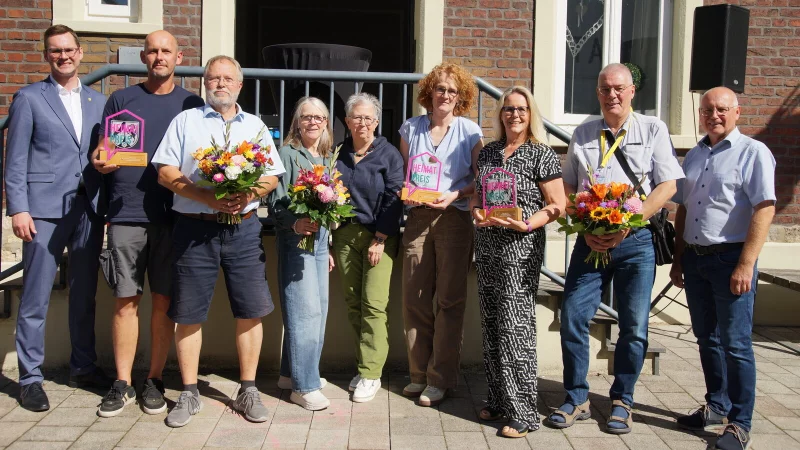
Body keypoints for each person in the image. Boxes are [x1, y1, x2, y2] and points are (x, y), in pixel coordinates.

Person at [546, 63, 684, 434]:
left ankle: (623, 399)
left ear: (632, 91)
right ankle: (576, 397)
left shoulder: (653, 129)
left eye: (619, 88)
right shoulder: (584, 132)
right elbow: (572, 189)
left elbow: (667, 186)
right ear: (598, 93)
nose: (612, 95)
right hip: (591, 240)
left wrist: (630, 222)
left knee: (634, 326)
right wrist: (585, 225)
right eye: (605, 89)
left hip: (635, 242)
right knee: (573, 316)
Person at [152, 55, 284, 427]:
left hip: (242, 228)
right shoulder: (186, 121)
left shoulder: (254, 125)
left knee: (251, 309)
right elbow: (165, 171)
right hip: (195, 228)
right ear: (204, 83)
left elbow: (272, 175)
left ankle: (248, 389)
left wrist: (248, 193)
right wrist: (205, 196)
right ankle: (190, 392)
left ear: (239, 85)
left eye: (227, 78)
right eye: (213, 78)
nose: (219, 84)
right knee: (188, 312)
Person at [91, 30, 204, 418]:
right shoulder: (122, 98)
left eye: (166, 51)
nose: (159, 57)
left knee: (163, 302)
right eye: (153, 51)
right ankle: (122, 382)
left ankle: (154, 379)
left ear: (179, 55)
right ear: (143, 56)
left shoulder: (193, 102)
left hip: (175, 215)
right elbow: (105, 148)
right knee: (125, 302)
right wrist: (100, 158)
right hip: (126, 213)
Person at [4, 24, 111, 412]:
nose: (63, 56)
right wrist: (18, 207)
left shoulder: (100, 103)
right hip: (43, 210)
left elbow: (108, 157)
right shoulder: (30, 98)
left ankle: (83, 366)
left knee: (85, 293)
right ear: (46, 55)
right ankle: (30, 377)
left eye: (68, 49)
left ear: (81, 52)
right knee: (35, 295)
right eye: (55, 51)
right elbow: (15, 158)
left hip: (89, 208)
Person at [670, 87, 775, 450]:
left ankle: (739, 423)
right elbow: (684, 208)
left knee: (736, 344)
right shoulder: (696, 154)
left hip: (731, 259)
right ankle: (717, 405)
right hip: (696, 259)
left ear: (737, 112)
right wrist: (679, 257)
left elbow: (764, 208)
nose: (713, 114)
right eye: (707, 109)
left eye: (721, 109)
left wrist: (746, 263)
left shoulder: (753, 152)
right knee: (706, 338)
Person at [471, 86, 566, 437]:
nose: (514, 115)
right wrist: (478, 214)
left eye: (521, 109)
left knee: (515, 325)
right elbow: (478, 197)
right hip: (488, 242)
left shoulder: (541, 153)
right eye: (508, 109)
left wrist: (528, 222)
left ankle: (523, 411)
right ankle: (498, 401)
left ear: (531, 113)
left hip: (520, 245)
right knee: (492, 320)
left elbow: (558, 204)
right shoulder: (490, 152)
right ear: (500, 114)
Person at [399, 63, 483, 407]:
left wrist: (457, 195)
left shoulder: (470, 131)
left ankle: (441, 379)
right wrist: (407, 191)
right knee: (415, 299)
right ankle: (419, 375)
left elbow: (482, 179)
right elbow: (402, 173)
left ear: (460, 97)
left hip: (454, 219)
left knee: (449, 302)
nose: (445, 95)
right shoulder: (410, 128)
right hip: (418, 218)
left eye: (452, 90)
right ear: (428, 94)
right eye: (440, 89)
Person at [332, 93, 404, 403]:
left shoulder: (389, 154)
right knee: (353, 303)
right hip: (346, 236)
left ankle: (372, 374)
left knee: (374, 304)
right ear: (347, 122)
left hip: (379, 238)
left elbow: (395, 197)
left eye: (368, 118)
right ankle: (365, 367)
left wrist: (380, 238)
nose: (362, 122)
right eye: (356, 117)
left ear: (376, 121)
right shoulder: (338, 152)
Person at [268, 96, 334, 411]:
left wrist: (329, 243)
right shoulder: (288, 154)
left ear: (326, 122)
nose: (312, 122)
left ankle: (289, 373)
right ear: (298, 121)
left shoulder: (325, 157)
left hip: (320, 242)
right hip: (298, 238)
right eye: (306, 116)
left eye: (318, 117)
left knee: (317, 308)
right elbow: (277, 202)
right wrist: (295, 224)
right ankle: (303, 386)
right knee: (303, 310)